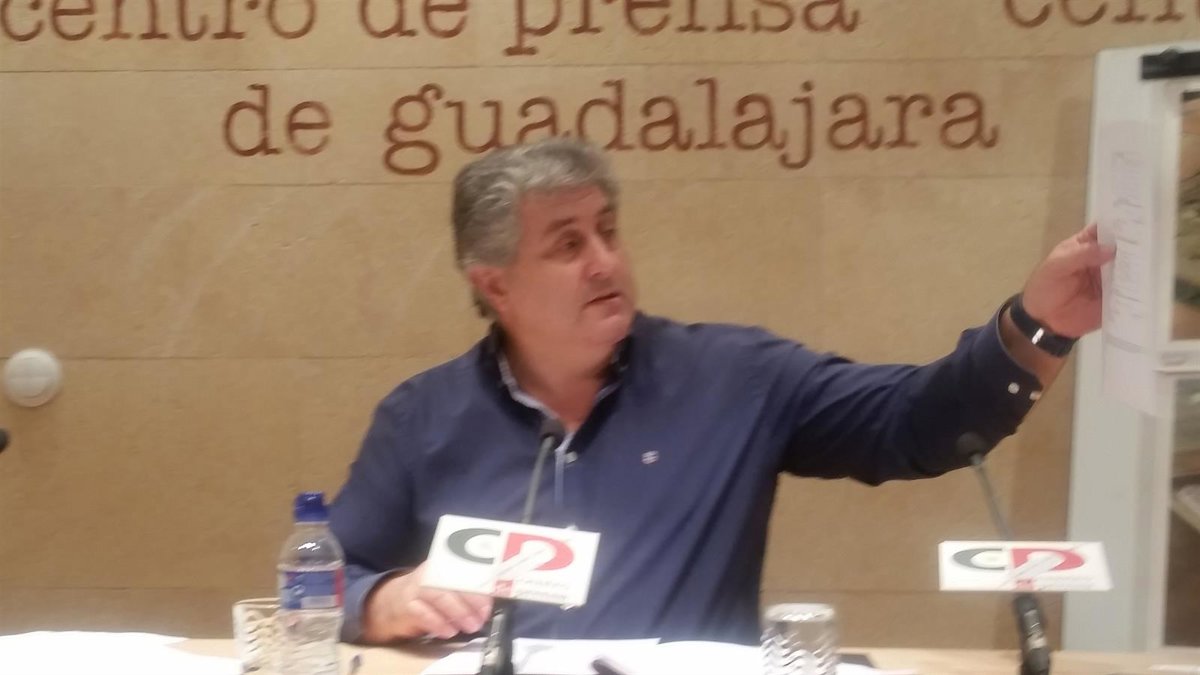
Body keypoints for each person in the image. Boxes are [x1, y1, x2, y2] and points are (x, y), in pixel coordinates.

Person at [327, 138, 1115, 646]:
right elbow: (324, 580)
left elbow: (918, 421)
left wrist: (1039, 325)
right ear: (495, 285)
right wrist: (381, 600)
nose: (605, 260)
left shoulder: (733, 378)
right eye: (568, 244)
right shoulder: (421, 418)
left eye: (608, 229)